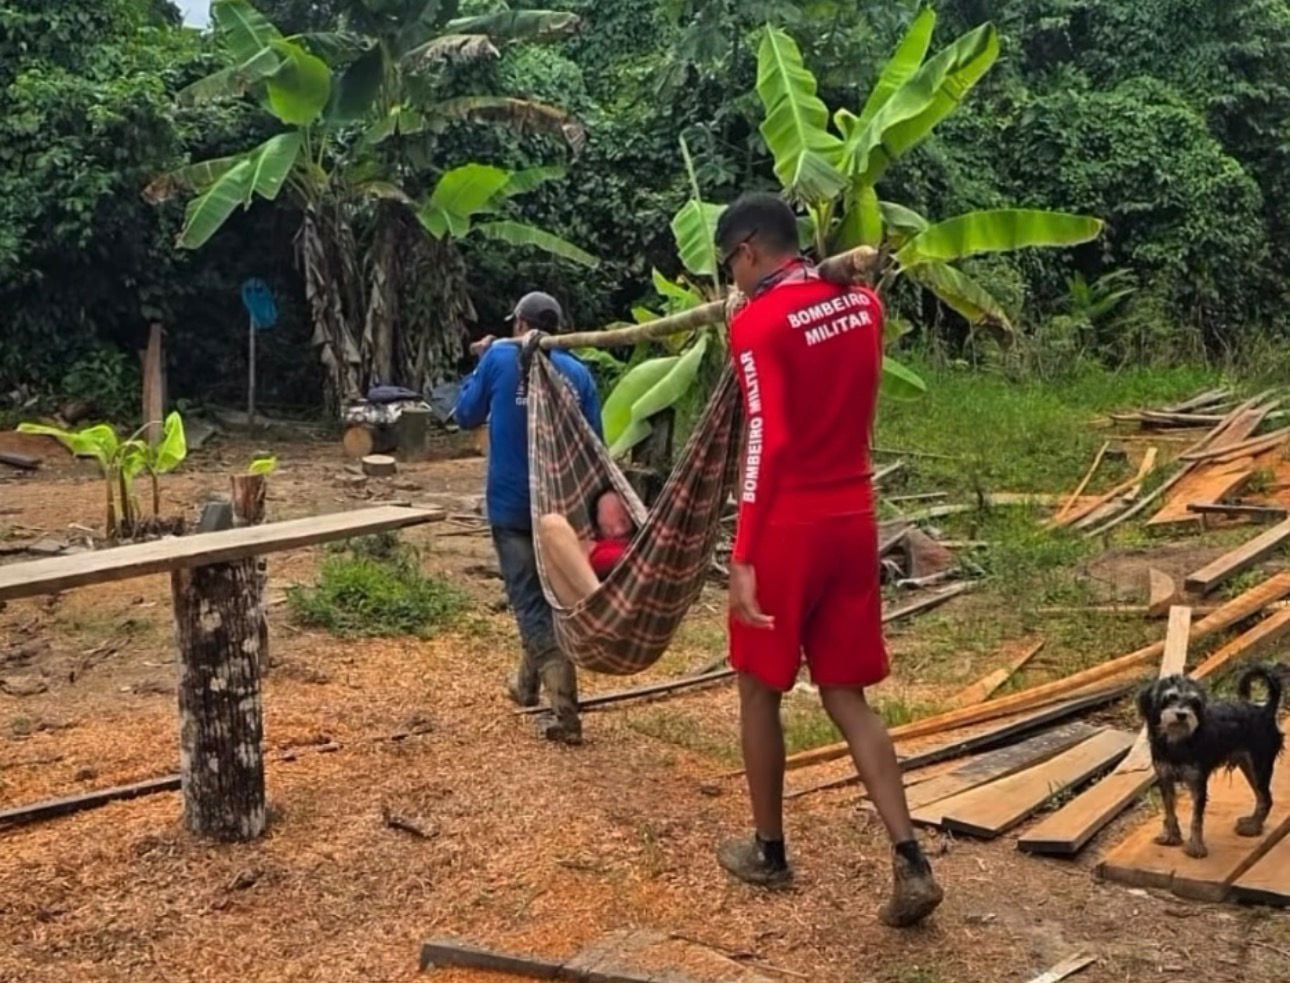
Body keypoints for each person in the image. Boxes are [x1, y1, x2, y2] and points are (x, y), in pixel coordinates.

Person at [714, 193, 944, 926]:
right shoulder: (861, 307)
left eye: (730, 262)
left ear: (749, 250)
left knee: (758, 687)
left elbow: (767, 440)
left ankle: (769, 849)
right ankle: (910, 858)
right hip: (854, 516)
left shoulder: (757, 324)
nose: (730, 276)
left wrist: (744, 551)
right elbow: (837, 299)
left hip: (789, 524)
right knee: (848, 696)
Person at [454, 291, 600, 744]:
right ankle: (526, 685)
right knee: (547, 593)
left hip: (513, 505)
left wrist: (483, 361)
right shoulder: (578, 373)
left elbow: (464, 414)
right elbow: (594, 443)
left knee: (531, 601)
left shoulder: (500, 359)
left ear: (520, 324)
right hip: (562, 508)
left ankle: (564, 713)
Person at [536, 488, 636, 608]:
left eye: (623, 522)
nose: (619, 531)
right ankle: (597, 602)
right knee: (550, 524)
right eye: (609, 527)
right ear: (598, 530)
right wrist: (583, 553)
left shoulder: (646, 541)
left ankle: (598, 603)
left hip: (633, 600)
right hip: (586, 608)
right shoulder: (592, 545)